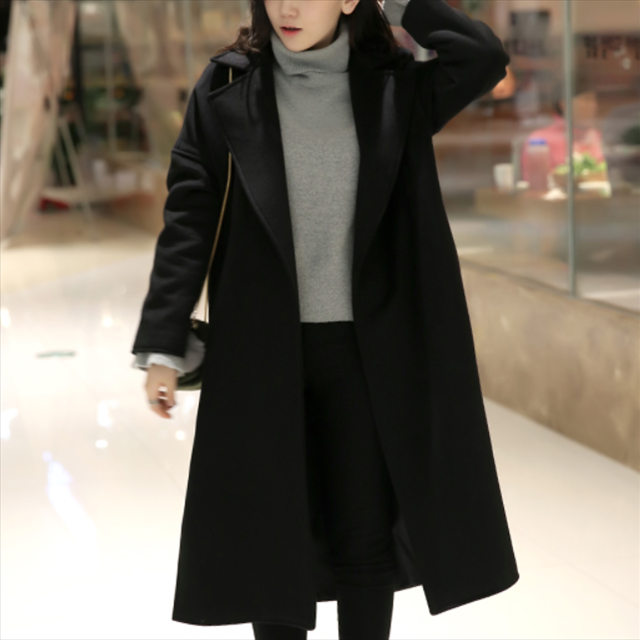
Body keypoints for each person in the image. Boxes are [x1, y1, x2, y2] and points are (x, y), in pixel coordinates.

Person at [131, 1, 519, 638]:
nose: (287, 6)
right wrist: (163, 344)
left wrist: (397, 2)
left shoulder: (395, 85)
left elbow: (481, 57)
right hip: (262, 349)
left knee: (364, 538)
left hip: (369, 354)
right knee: (270, 542)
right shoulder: (227, 85)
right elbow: (188, 214)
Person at [520, 79, 606, 185]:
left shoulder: (599, 137)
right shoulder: (539, 141)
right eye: (587, 100)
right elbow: (535, 184)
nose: (594, 105)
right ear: (564, 104)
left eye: (594, 100)